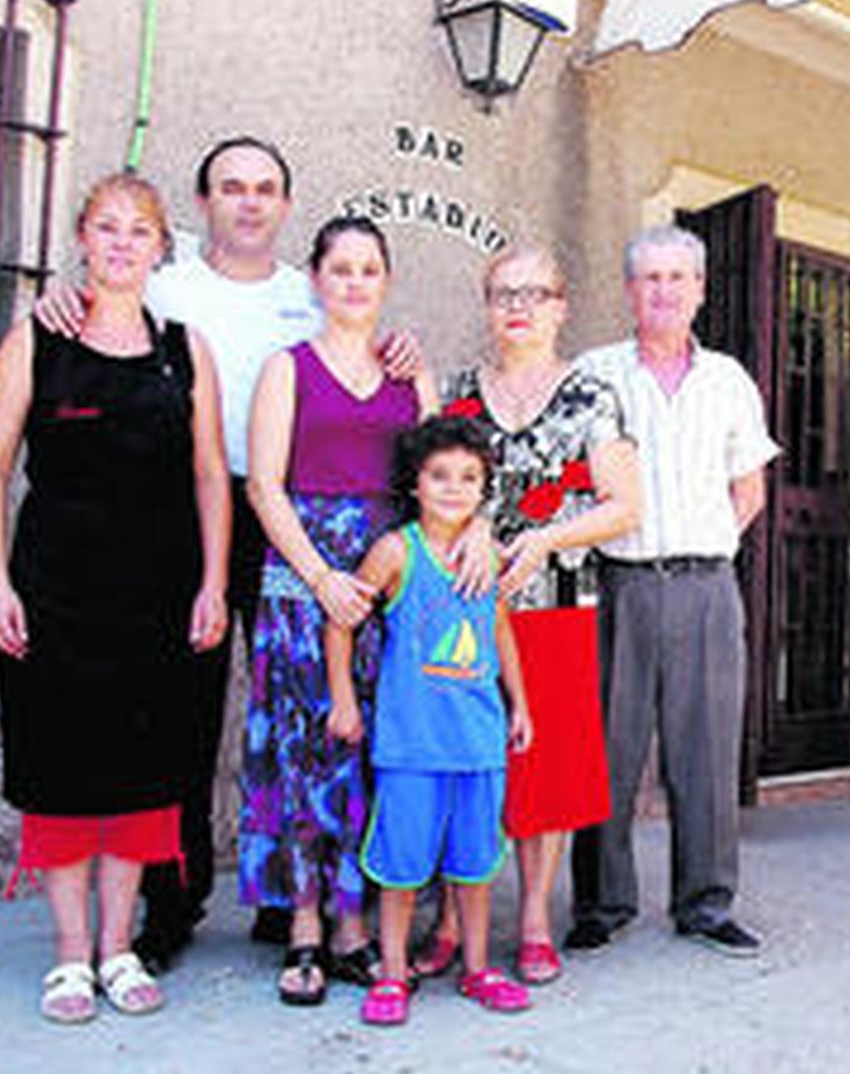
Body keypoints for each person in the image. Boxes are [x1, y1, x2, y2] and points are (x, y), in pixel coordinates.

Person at [35, 137, 419, 969]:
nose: (249, 202)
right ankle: (172, 904)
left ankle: (297, 903)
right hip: (192, 508)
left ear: (285, 206)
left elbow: (370, 365)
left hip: (295, 510)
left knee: (310, 715)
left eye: (267, 189)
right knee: (183, 714)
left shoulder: (306, 292)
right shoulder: (166, 286)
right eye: (231, 187)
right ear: (203, 201)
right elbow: (101, 307)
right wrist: (59, 302)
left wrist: (404, 354)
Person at [0, 173, 231, 1023]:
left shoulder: (186, 348)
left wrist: (214, 583)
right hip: (54, 590)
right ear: (83, 237)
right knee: (63, 770)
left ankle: (120, 948)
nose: (123, 242)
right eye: (107, 227)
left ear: (162, 248)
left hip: (157, 593)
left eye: (140, 230)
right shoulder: (34, 341)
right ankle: (70, 956)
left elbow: (208, 477)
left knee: (142, 779)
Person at [414, 245, 640, 986]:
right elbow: (427, 492)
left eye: (536, 292)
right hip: (464, 609)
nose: (520, 305)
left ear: (561, 305)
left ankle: (536, 915)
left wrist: (543, 537)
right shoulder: (454, 394)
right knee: (462, 763)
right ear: (486, 304)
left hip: (557, 603)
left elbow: (624, 505)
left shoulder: (591, 396)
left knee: (544, 766)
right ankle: (452, 917)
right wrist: (474, 527)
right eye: (504, 292)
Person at [240, 216, 451, 1006]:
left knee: (376, 746)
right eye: (341, 268)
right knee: (307, 746)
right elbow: (265, 484)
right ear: (317, 279)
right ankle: (302, 924)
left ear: (385, 282)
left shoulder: (409, 376)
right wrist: (322, 576)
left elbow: (437, 481)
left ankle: (356, 922)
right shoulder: (286, 369)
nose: (355, 282)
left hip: (390, 577)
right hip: (306, 579)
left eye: (369, 269)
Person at [566, 225, 779, 957]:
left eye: (676, 278)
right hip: (617, 583)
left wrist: (698, 542)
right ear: (629, 290)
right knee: (607, 749)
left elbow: (748, 489)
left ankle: (707, 901)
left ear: (700, 289)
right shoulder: (594, 374)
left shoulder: (729, 380)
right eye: (648, 277)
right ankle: (601, 901)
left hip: (706, 585)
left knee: (707, 750)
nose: (662, 290)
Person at [332, 417, 534, 1026]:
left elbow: (498, 628)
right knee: (401, 867)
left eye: (469, 478)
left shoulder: (487, 554)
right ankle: (392, 975)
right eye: (440, 475)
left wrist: (519, 703)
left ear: (484, 488)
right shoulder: (397, 551)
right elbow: (343, 619)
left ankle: (476, 969)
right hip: (412, 745)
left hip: (478, 744)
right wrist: (343, 698)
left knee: (473, 866)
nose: (454, 488)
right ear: (415, 484)